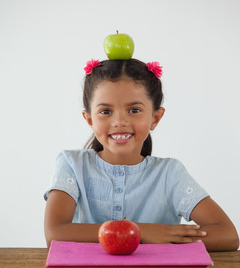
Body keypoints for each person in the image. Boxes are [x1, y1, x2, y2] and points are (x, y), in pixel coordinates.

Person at [44, 58, 239, 251]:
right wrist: (140, 232)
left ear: (155, 118)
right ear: (89, 119)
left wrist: (165, 236)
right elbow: (55, 234)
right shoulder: (71, 164)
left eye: (134, 110)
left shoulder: (170, 173)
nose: (119, 121)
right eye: (105, 111)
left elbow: (227, 235)